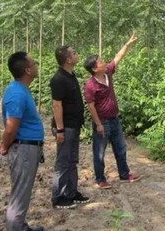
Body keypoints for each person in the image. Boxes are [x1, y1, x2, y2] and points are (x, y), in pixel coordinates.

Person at [83, 33, 141, 189]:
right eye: (100, 61)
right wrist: (98, 124)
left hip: (115, 119)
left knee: (121, 148)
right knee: (100, 152)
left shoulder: (107, 72)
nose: (104, 62)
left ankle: (124, 173)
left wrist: (128, 43)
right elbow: (91, 106)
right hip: (102, 122)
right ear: (95, 68)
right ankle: (100, 179)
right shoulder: (90, 85)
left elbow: (118, 57)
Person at [0, 51, 44, 231]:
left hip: (27, 149)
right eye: (34, 63)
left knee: (22, 194)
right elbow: (11, 128)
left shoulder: (20, 90)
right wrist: (3, 145)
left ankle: (22, 227)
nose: (37, 66)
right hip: (24, 150)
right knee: (19, 198)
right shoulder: (16, 93)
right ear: (27, 70)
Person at [50, 46, 90, 209]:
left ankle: (71, 193)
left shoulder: (71, 75)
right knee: (63, 162)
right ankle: (58, 197)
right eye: (74, 53)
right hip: (65, 127)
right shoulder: (59, 79)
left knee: (72, 161)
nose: (77, 54)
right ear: (67, 60)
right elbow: (57, 105)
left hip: (73, 126)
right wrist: (60, 130)